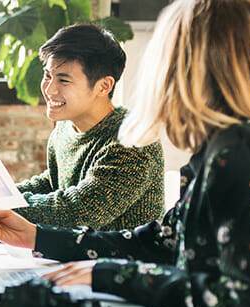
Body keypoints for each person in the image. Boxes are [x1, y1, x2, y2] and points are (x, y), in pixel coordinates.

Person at [0, 0, 250, 307]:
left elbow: (245, 304)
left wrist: (111, 276)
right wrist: (38, 237)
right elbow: (161, 242)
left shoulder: (241, 155)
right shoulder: (214, 150)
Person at [13, 24, 165, 231]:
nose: (49, 90)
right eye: (47, 75)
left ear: (104, 86)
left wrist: (1, 204)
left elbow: (78, 212)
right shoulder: (64, 129)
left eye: (63, 80)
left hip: (123, 261)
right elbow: (53, 182)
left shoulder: (135, 140)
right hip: (75, 256)